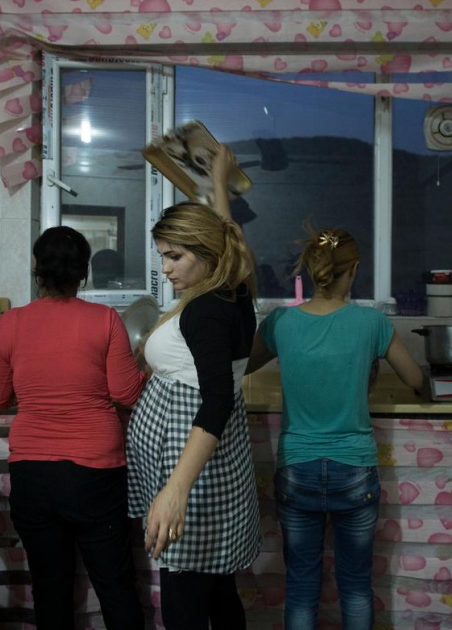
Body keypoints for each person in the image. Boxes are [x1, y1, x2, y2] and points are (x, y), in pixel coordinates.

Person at [247, 227, 423, 630]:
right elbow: (414, 378)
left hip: (297, 468)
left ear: (311, 269)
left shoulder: (281, 322)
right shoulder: (370, 323)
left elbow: (244, 365)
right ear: (354, 270)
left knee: (302, 586)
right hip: (354, 469)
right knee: (357, 586)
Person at [0, 226, 146, 630]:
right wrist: (146, 362)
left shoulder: (10, 323)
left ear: (38, 270)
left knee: (50, 588)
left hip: (33, 473)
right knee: (115, 585)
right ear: (82, 272)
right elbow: (126, 392)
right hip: (96, 472)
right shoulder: (104, 319)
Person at [126, 145, 260, 630]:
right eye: (163, 256)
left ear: (206, 253)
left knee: (185, 596)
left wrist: (175, 490)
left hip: (192, 468)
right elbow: (234, 239)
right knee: (217, 589)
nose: (165, 268)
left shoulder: (206, 309)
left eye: (175, 256)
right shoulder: (232, 288)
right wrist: (219, 184)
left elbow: (218, 398)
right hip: (200, 463)